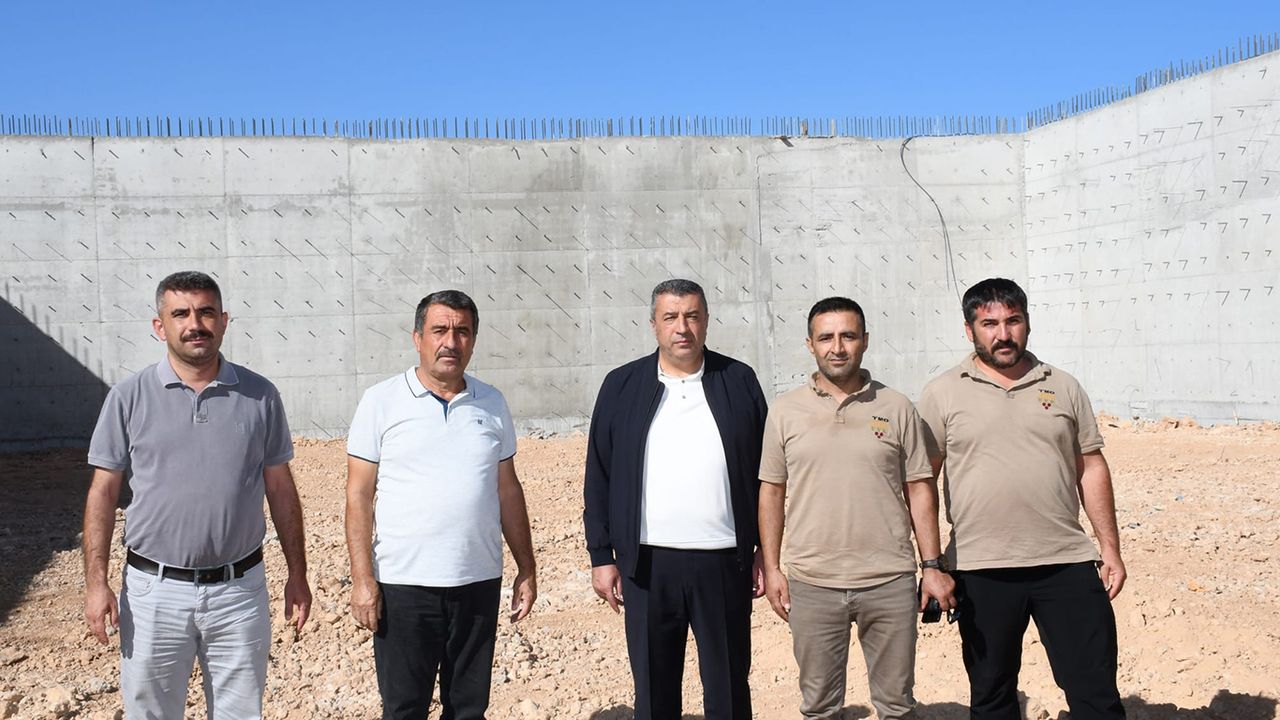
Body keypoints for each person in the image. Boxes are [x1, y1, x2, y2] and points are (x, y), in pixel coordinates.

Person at [82, 270, 311, 719]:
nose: (194, 324)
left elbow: (281, 490)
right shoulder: (128, 397)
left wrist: (297, 574)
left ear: (223, 321)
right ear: (159, 326)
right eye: (180, 314)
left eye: (206, 312)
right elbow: (102, 494)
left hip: (239, 592)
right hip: (153, 594)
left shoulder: (260, 395)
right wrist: (96, 583)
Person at [918, 277, 1127, 720]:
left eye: (1013, 321)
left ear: (1027, 323)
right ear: (969, 329)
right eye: (989, 323)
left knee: (1096, 694)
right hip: (981, 568)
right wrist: (931, 564)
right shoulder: (942, 393)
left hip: (1066, 563)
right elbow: (922, 483)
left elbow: (1091, 467)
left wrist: (1110, 548)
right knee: (992, 697)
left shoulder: (1063, 386)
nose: (1003, 334)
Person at [759, 296, 955, 720]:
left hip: (889, 581)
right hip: (813, 583)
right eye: (825, 338)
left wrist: (932, 566)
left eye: (848, 336)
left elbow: (920, 488)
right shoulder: (785, 411)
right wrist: (773, 568)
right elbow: (771, 491)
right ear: (809, 344)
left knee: (897, 705)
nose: (837, 348)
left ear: (865, 340)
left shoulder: (897, 407)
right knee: (819, 707)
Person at [345, 289, 536, 720]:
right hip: (404, 586)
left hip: (477, 582)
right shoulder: (381, 401)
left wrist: (527, 567)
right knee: (404, 709)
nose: (451, 342)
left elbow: (508, 489)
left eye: (462, 331)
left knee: (468, 709)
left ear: (474, 340)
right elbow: (358, 495)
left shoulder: (492, 403)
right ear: (418, 338)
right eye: (439, 330)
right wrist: (362, 579)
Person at [583, 278, 768, 720]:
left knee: (728, 688)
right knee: (653, 691)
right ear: (654, 324)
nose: (682, 327)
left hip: (723, 561)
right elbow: (599, 475)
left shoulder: (738, 380)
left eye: (692, 316)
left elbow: (766, 474)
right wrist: (601, 555)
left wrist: (765, 549)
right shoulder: (621, 385)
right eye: (670, 317)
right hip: (647, 565)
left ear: (706, 321)